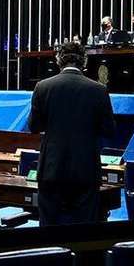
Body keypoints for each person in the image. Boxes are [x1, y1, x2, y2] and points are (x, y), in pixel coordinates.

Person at [28, 42, 116, 226]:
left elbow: (34, 127)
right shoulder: (99, 90)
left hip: (51, 169)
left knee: (49, 228)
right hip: (86, 170)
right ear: (84, 61)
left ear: (58, 60)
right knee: (83, 229)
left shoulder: (43, 87)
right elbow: (109, 130)